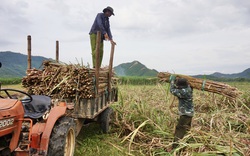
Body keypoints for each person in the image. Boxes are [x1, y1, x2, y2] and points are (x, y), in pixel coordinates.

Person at [169, 76, 194, 150]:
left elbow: (172, 90)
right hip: (190, 114)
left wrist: (172, 81)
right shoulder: (189, 89)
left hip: (185, 114)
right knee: (186, 129)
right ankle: (186, 144)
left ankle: (175, 147)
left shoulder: (183, 92)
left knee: (179, 129)